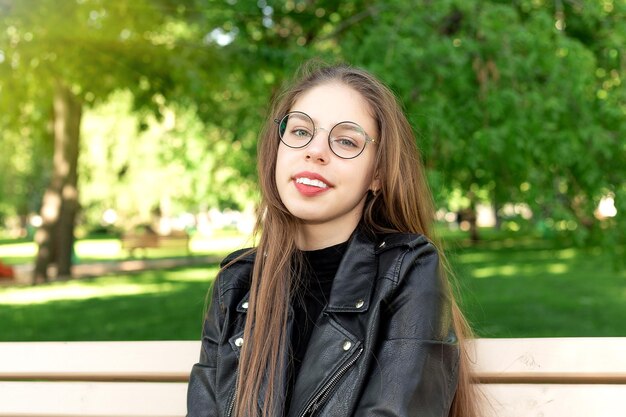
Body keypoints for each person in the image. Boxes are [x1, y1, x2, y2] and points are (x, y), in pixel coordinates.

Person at [187, 63, 478, 417]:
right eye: (299, 132)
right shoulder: (237, 284)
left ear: (378, 174)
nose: (315, 151)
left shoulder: (407, 271)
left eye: (345, 140)